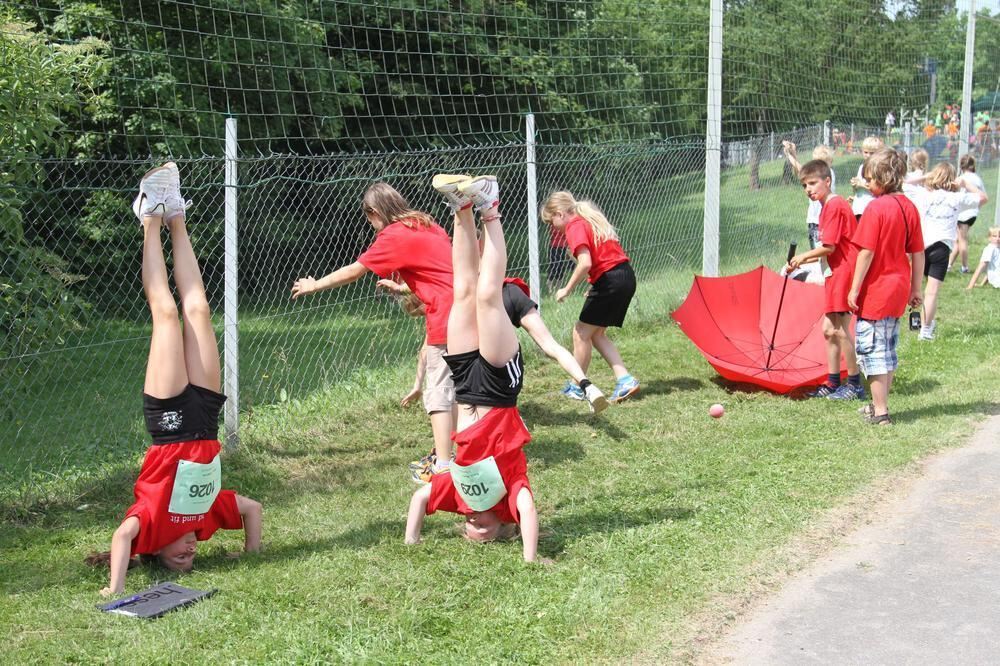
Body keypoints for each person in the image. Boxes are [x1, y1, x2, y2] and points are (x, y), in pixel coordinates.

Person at [90, 163, 262, 597]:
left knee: (166, 316)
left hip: (169, 428)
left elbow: (122, 537)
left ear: (155, 551)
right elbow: (252, 509)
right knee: (199, 311)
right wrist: (251, 552)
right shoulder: (203, 519)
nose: (190, 551)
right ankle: (176, 216)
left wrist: (115, 587)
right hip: (205, 421)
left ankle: (149, 218)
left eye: (178, 556)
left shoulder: (148, 526)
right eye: (193, 556)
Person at [404, 174, 539, 562]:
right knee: (487, 297)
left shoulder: (459, 491)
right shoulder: (509, 496)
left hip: (465, 388)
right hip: (498, 387)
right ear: (502, 524)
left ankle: (461, 208)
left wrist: (411, 543)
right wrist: (531, 560)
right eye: (485, 530)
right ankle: (490, 209)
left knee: (461, 291)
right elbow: (528, 510)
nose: (476, 525)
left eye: (469, 529)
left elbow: (420, 496)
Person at [291, 184, 456, 479]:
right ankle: (449, 453)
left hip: (445, 317)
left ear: (375, 212)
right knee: (461, 390)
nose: (370, 224)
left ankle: (445, 467)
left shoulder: (393, 235)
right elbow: (438, 271)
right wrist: (407, 288)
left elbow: (356, 270)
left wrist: (316, 285)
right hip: (469, 310)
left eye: (369, 218)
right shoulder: (427, 224)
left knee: (439, 393)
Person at [377, 274, 609, 421]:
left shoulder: (442, 303)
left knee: (481, 364)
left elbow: (426, 349)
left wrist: (418, 385)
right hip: (510, 291)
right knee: (551, 345)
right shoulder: (458, 262)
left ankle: (496, 416)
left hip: (488, 304)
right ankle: (587, 385)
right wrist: (402, 289)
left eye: (419, 312)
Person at [847, 149, 925, 426]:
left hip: (876, 291)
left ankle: (881, 412)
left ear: (884, 178)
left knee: (872, 352)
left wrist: (854, 289)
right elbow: (918, 252)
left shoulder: (875, 208)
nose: (867, 185)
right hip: (899, 287)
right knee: (888, 350)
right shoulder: (909, 207)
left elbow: (865, 252)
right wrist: (917, 289)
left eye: (870, 179)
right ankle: (880, 404)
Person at [541, 192, 640, 403]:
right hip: (624, 277)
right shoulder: (587, 221)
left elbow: (585, 263)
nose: (553, 227)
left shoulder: (574, 226)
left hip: (610, 281)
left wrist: (566, 289)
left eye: (551, 222)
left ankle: (578, 386)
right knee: (596, 334)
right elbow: (604, 257)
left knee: (580, 333)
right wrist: (596, 285)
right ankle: (624, 379)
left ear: (559, 214)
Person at [786, 160, 864, 401]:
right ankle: (832, 382)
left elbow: (829, 247)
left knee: (840, 330)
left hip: (843, 271)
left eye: (813, 183)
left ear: (827, 181)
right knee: (829, 330)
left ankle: (854, 385)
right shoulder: (826, 205)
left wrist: (802, 258)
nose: (808, 189)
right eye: (804, 185)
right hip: (834, 272)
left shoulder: (833, 205)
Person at [903, 162, 987, 340]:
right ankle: (925, 330)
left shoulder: (924, 195)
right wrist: (965, 184)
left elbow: (903, 184)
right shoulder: (956, 198)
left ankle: (921, 322)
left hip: (921, 247)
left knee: (917, 288)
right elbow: (982, 198)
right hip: (942, 247)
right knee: (931, 291)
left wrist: (925, 177)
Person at [949, 155, 987, 273]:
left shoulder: (961, 179)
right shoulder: (978, 178)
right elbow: (983, 195)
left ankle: (964, 267)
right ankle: (948, 265)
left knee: (962, 240)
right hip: (973, 213)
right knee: (957, 240)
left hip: (963, 214)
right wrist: (976, 208)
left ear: (961, 165)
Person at [849, 136, 884, 220]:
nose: (868, 155)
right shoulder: (862, 166)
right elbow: (858, 187)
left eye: (872, 153)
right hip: (858, 207)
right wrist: (855, 185)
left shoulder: (878, 168)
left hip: (870, 207)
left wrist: (861, 184)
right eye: (866, 152)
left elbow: (878, 189)